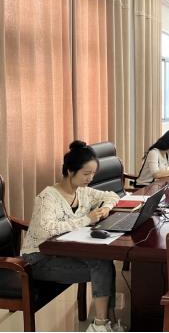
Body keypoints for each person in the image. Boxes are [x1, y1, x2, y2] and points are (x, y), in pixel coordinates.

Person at [21, 141, 122, 332]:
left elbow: (111, 195)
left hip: (63, 252)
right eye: (86, 174)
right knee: (103, 267)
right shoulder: (47, 197)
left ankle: (105, 323)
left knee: (103, 261)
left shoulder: (82, 192)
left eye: (93, 173)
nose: (90, 178)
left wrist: (106, 208)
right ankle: (101, 325)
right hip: (38, 259)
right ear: (69, 171)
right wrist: (86, 219)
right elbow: (46, 230)